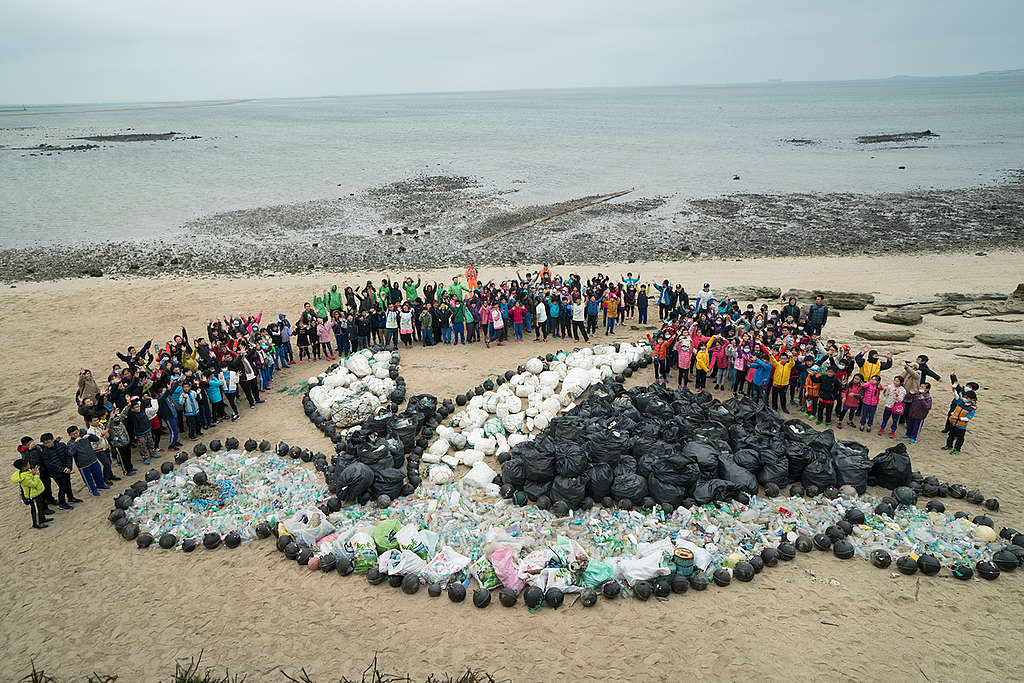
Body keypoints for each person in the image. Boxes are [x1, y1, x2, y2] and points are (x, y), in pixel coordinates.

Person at [39, 433, 79, 509]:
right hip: (56, 473)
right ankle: (62, 503)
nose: (47, 444)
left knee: (68, 484)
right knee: (62, 487)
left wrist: (69, 467)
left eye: (49, 442)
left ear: (53, 440)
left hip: (67, 469)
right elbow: (49, 464)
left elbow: (68, 456)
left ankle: (71, 498)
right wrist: (63, 469)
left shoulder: (62, 445)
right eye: (45, 443)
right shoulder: (45, 452)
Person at [66, 426, 107, 496]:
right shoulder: (70, 443)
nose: (76, 435)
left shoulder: (84, 435)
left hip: (93, 459)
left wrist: (89, 436)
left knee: (98, 473)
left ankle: (101, 485)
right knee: (88, 479)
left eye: (76, 433)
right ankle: (92, 490)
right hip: (83, 465)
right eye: (73, 434)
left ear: (78, 431)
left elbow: (96, 439)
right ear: (70, 435)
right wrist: (75, 443)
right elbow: (70, 453)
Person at [11, 459, 50, 529]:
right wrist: (36, 474)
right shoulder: (24, 478)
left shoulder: (27, 471)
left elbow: (33, 477)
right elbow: (34, 484)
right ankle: (37, 524)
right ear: (24, 467)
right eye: (28, 464)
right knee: (36, 509)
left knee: (40, 507)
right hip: (33, 495)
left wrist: (34, 473)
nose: (29, 465)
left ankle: (42, 519)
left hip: (37, 492)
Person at [941, 389, 976, 455]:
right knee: (951, 435)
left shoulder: (971, 409)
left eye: (967, 398)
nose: (965, 398)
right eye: (965, 397)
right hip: (953, 422)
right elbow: (956, 397)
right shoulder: (961, 402)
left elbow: (967, 418)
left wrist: (958, 418)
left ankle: (957, 449)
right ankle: (948, 445)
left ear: (971, 399)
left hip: (961, 426)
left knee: (960, 438)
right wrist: (954, 390)